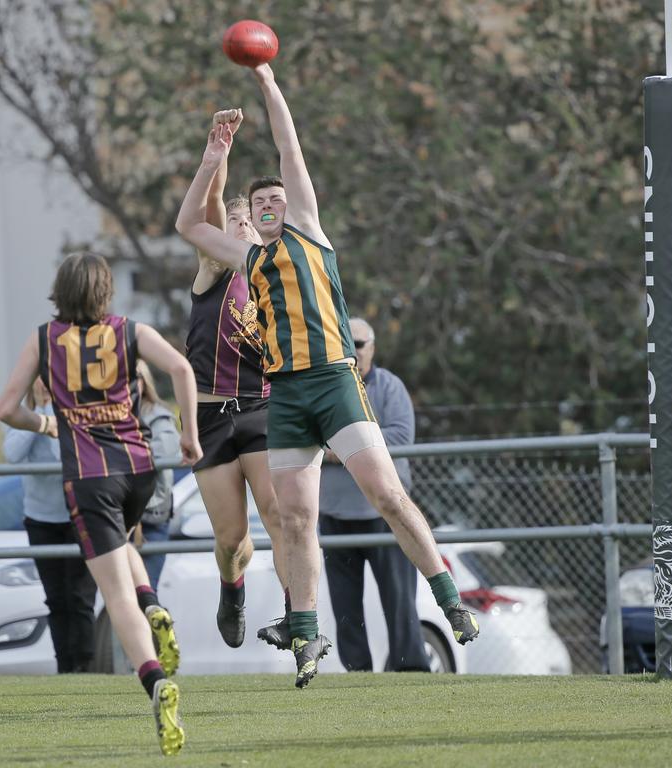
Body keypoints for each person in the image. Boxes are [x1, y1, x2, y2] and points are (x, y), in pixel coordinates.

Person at [175, 64, 478, 689]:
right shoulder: (247, 253)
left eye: (275, 199)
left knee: (388, 496)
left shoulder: (309, 229)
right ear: (252, 218)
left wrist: (265, 80)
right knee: (294, 521)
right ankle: (307, 635)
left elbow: (288, 144)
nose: (268, 205)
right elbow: (189, 226)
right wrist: (214, 155)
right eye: (259, 203)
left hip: (335, 381)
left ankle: (449, 600)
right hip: (285, 394)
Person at [0, 252, 201, 756]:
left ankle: (155, 682)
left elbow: (5, 409)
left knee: (114, 594)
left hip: (89, 478)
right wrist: (189, 436)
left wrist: (46, 423)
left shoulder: (46, 338)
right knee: (125, 544)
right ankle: (153, 604)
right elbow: (181, 367)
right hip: (138, 468)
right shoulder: (129, 330)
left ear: (60, 291)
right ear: (105, 290)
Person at [184, 112, 287, 649]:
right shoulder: (213, 270)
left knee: (277, 512)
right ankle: (233, 586)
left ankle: (300, 613)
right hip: (209, 414)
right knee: (232, 539)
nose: (241, 226)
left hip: (260, 409)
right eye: (234, 222)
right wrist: (218, 155)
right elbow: (206, 209)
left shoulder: (275, 276)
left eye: (247, 221)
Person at [319, 318, 430, 672]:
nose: (353, 350)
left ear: (373, 348)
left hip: (386, 518)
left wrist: (342, 451)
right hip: (335, 517)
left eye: (359, 343)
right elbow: (313, 441)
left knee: (400, 602)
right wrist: (360, 449)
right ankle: (358, 674)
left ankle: (410, 669)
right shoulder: (324, 389)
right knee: (345, 609)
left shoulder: (390, 387)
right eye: (344, 342)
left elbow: (399, 439)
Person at [3, 376, 98, 674]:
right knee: (55, 599)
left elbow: (65, 456)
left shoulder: (76, 412)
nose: (45, 384)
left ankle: (85, 666)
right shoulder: (21, 414)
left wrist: (53, 414)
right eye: (39, 379)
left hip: (77, 516)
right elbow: (12, 455)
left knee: (80, 597)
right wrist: (40, 417)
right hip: (40, 520)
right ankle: (64, 667)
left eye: (50, 378)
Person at [131, 360, 180, 592]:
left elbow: (167, 455)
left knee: (146, 593)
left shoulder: (159, 417)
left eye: (132, 378)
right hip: (116, 517)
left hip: (150, 516)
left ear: (143, 382)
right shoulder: (105, 415)